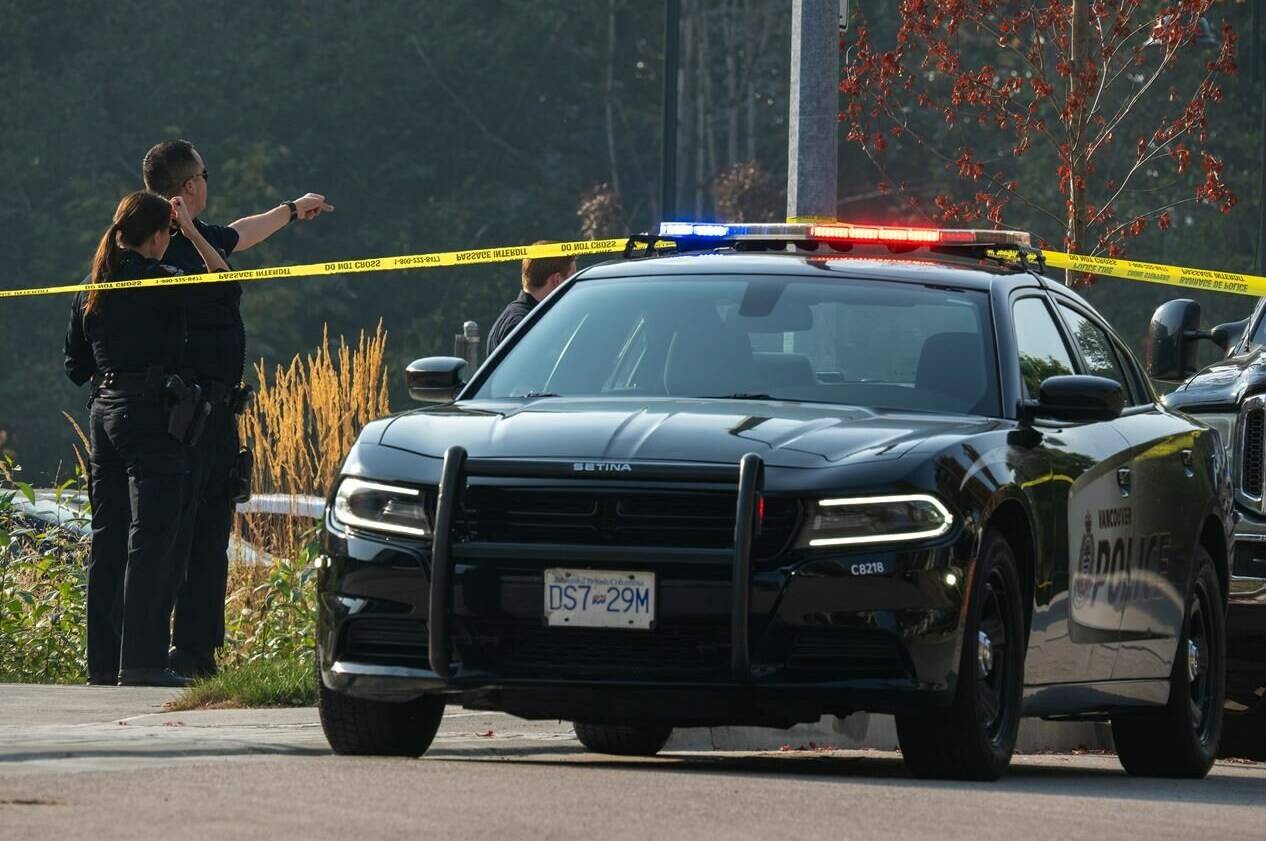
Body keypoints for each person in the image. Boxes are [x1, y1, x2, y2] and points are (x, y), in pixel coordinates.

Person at [140, 139, 333, 678]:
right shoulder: (158, 245)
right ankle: (157, 653)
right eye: (204, 173)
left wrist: (294, 209)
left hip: (218, 415)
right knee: (178, 539)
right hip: (185, 416)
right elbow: (225, 277)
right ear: (189, 187)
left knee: (209, 540)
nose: (208, 179)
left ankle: (198, 654)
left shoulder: (195, 235)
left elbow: (244, 231)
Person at [64, 190, 229, 686]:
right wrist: (195, 232)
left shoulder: (91, 289)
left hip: (104, 412)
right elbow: (225, 286)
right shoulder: (165, 283)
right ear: (160, 235)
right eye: (171, 233)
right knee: (152, 538)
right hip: (151, 416)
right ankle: (143, 661)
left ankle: (102, 663)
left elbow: (76, 367)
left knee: (107, 539)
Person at [487, 244, 575, 354]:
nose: (575, 285)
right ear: (557, 280)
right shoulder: (523, 325)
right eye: (572, 278)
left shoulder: (522, 318)